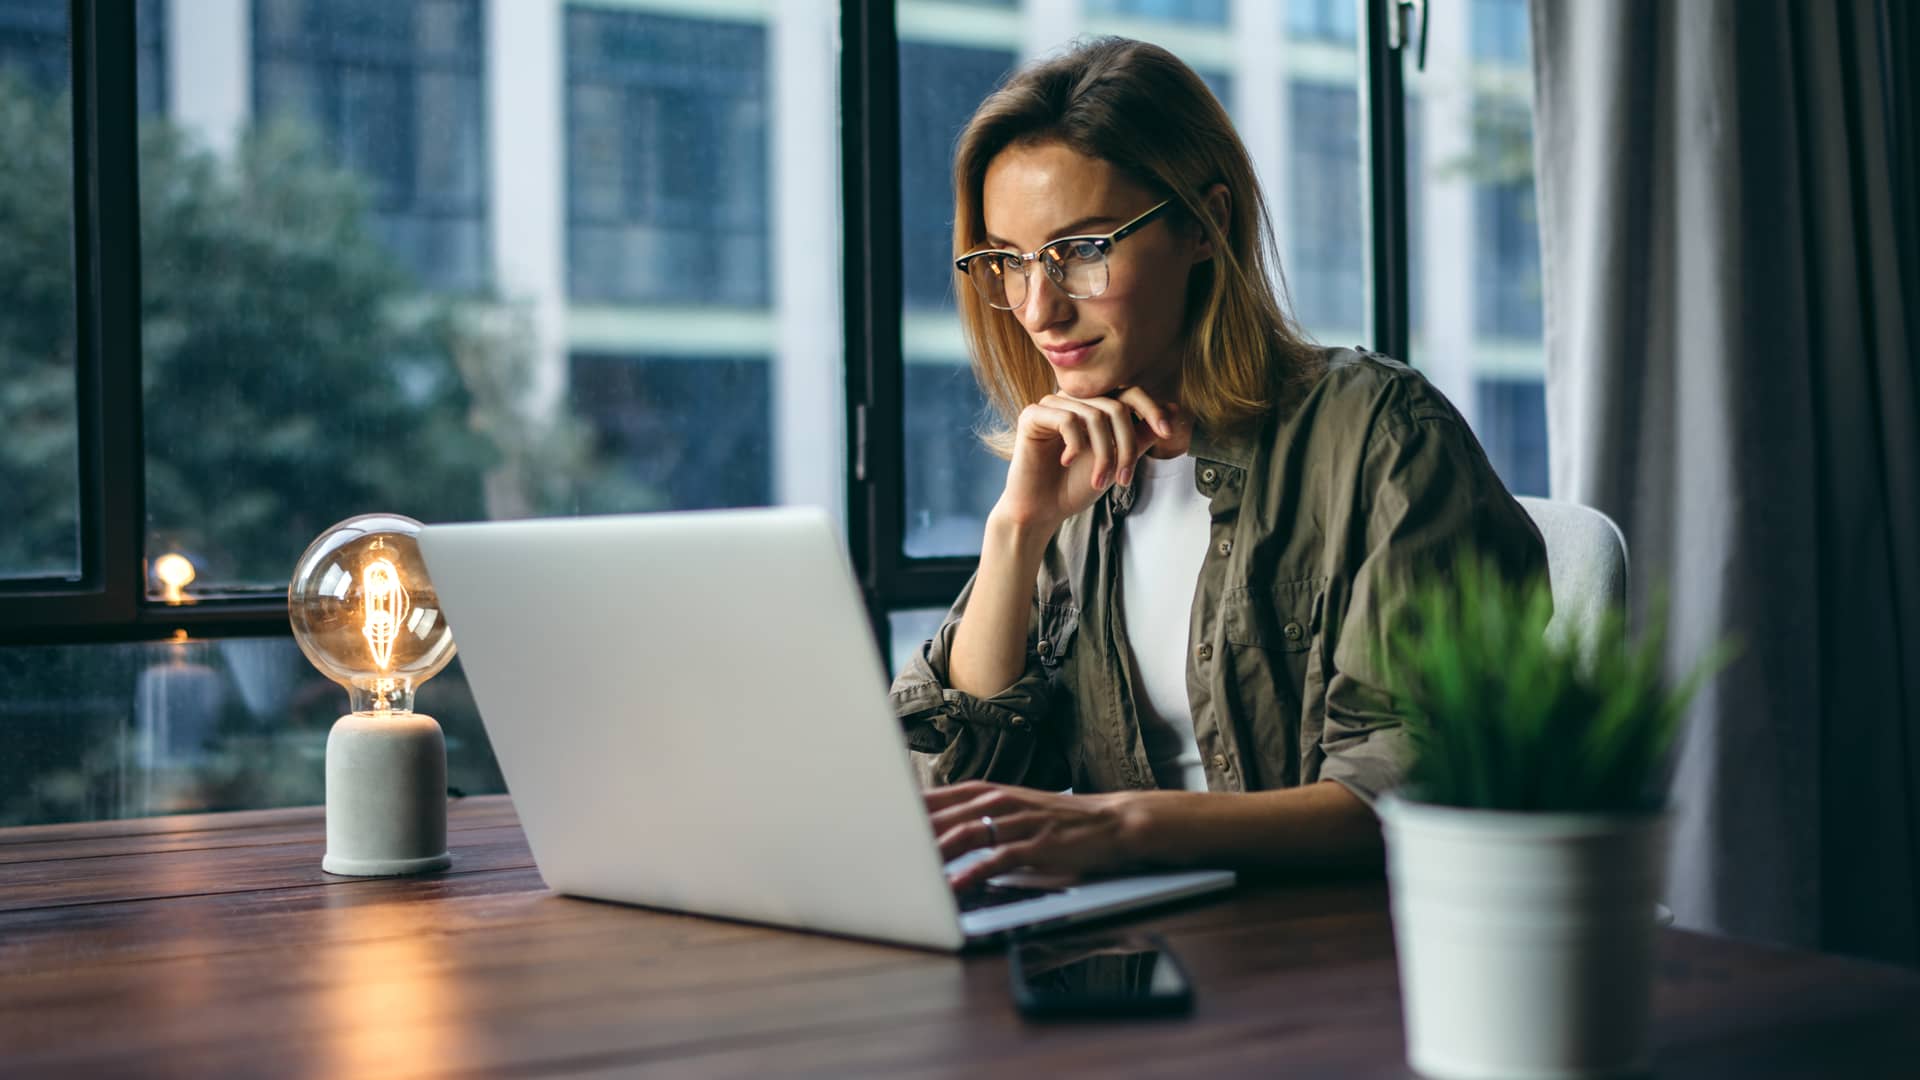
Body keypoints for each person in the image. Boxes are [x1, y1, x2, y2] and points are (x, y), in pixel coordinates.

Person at [891, 37, 1547, 894]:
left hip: (1333, 957)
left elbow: (1410, 793)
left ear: (1204, 224)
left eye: (1082, 250)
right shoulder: (1073, 467)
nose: (1037, 307)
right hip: (1136, 944)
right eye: (1008, 261)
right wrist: (1017, 533)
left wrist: (1125, 828)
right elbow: (948, 789)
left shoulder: (1381, 435)